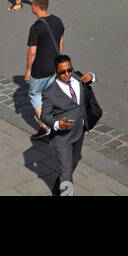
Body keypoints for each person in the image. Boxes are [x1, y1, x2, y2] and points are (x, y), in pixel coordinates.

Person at [40, 55, 97, 196]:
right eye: (62, 72)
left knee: (75, 160)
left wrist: (92, 76)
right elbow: (44, 116)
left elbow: (90, 79)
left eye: (69, 70)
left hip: (79, 131)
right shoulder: (50, 92)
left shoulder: (77, 78)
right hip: (62, 138)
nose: (67, 74)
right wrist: (57, 124)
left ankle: (57, 186)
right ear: (56, 72)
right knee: (66, 172)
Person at [25, 0, 65, 138]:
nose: (31, 6)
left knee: (34, 94)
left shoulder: (36, 27)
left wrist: (28, 70)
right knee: (48, 94)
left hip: (40, 68)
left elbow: (32, 51)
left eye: (32, 4)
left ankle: (45, 126)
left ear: (36, 7)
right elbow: (60, 43)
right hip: (55, 66)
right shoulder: (57, 21)